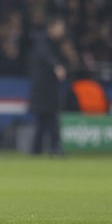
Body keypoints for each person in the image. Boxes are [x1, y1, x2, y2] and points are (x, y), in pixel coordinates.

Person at [28, 16, 67, 155]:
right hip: (43, 90)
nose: (62, 30)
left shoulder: (55, 43)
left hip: (48, 90)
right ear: (52, 28)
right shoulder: (44, 42)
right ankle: (52, 148)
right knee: (48, 121)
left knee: (45, 122)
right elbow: (47, 56)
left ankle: (38, 149)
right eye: (60, 27)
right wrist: (56, 66)